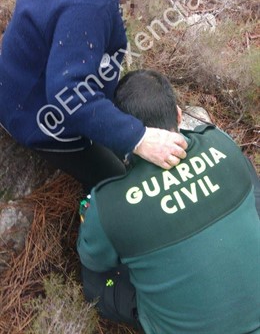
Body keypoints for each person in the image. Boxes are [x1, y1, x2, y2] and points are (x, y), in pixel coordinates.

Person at [0, 0, 187, 190]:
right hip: (35, 115)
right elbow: (70, 95)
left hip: (24, 87)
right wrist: (138, 138)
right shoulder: (90, 2)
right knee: (129, 183)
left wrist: (152, 112)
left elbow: (85, 64)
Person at [77, 70, 260, 334]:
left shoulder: (108, 203)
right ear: (177, 114)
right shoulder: (221, 143)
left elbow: (92, 260)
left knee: (97, 281)